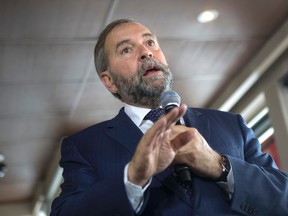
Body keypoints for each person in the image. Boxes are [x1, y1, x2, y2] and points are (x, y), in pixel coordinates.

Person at [50, 18, 288, 216]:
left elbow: (283, 198)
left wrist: (220, 165)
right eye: (126, 49)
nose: (146, 53)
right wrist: (133, 177)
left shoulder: (231, 124)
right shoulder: (84, 147)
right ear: (109, 81)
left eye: (150, 42)